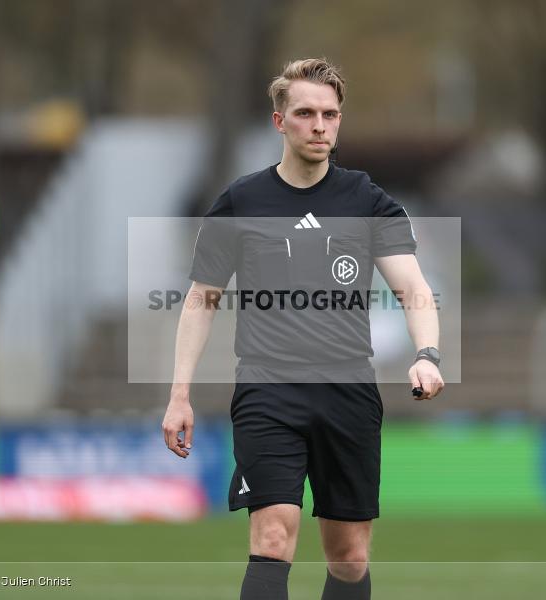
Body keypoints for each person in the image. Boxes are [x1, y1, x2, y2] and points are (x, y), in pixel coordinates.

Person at [161, 58, 444, 600]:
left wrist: (427, 352)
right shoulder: (241, 201)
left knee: (350, 557)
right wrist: (180, 396)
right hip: (269, 390)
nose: (320, 125)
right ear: (279, 122)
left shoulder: (366, 200)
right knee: (272, 537)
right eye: (306, 113)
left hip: (348, 393)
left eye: (331, 115)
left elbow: (414, 288)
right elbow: (202, 299)